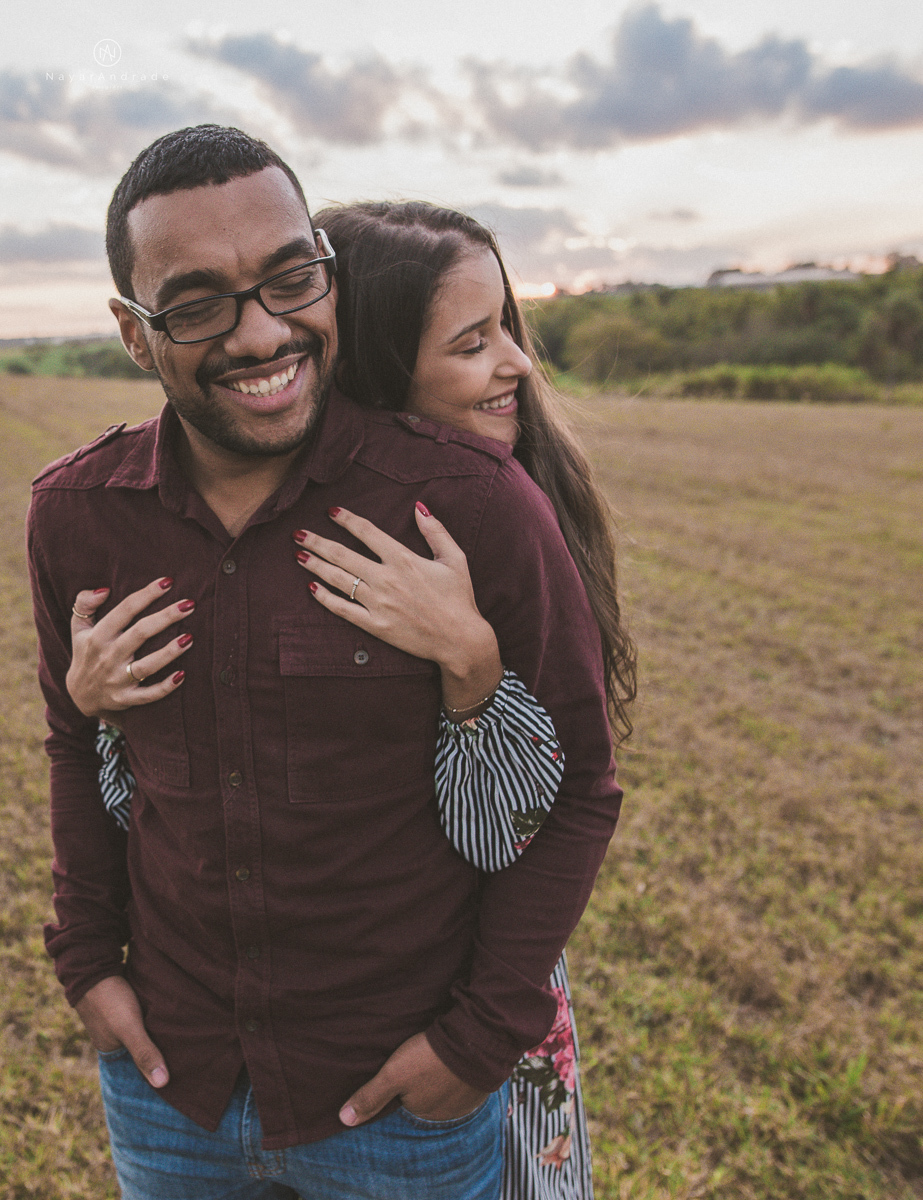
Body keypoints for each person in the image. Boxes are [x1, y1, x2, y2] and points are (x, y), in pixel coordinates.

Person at [28, 125, 622, 1200]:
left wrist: (479, 1040)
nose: (260, 334)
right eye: (199, 303)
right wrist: (86, 963)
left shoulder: (475, 505)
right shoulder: (76, 518)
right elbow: (76, 741)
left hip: (401, 1106)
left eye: (289, 280)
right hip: (173, 1092)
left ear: (329, 278)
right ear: (131, 331)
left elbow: (578, 787)